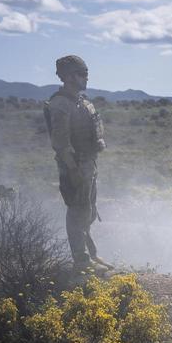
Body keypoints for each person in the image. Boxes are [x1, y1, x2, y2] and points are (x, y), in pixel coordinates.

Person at [45, 54, 109, 272]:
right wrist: (72, 170)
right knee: (77, 212)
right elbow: (61, 143)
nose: (86, 78)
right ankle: (81, 261)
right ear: (69, 76)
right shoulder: (61, 104)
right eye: (82, 74)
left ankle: (91, 254)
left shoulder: (81, 102)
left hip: (88, 163)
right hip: (75, 165)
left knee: (88, 211)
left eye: (86, 73)